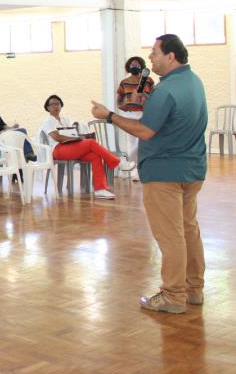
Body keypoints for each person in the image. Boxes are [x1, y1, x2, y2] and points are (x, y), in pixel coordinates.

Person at [91, 34, 207, 314]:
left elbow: (145, 130)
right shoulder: (192, 82)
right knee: (189, 230)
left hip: (165, 173)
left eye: (155, 52)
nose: (150, 57)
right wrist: (150, 101)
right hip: (192, 169)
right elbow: (174, 119)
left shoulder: (166, 90)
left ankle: (173, 295)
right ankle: (194, 289)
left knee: (170, 235)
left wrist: (108, 116)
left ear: (171, 56)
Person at [40, 95, 134, 200]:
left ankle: (100, 190)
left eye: (57, 103)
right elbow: (57, 137)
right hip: (57, 149)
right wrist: (75, 138)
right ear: (47, 108)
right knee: (91, 143)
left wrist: (79, 137)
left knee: (95, 156)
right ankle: (118, 163)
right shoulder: (48, 121)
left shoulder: (65, 119)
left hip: (70, 147)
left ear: (61, 105)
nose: (55, 106)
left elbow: (74, 133)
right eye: (52, 104)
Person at [116, 56, 154, 181]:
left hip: (145, 114)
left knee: (142, 141)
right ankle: (134, 169)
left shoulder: (148, 81)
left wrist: (145, 96)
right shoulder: (124, 82)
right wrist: (123, 107)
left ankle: (135, 166)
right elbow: (119, 100)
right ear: (128, 66)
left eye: (137, 65)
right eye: (132, 64)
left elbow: (154, 96)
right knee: (132, 142)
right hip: (130, 114)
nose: (135, 67)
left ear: (141, 67)